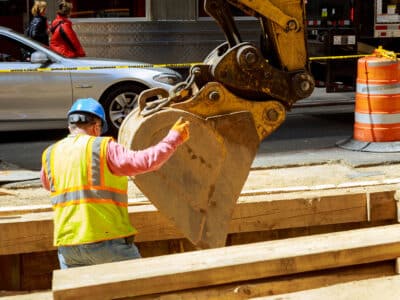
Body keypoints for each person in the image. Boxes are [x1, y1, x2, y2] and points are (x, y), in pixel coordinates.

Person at [40, 98, 190, 269]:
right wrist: (174, 138)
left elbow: (47, 184)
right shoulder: (103, 147)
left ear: (70, 126)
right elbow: (146, 161)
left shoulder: (50, 154)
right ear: (97, 127)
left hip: (68, 248)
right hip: (107, 244)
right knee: (140, 289)